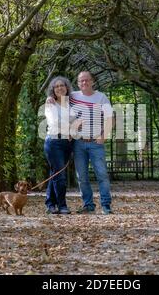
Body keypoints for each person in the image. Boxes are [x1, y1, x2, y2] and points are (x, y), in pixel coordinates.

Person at [48, 71, 114, 215]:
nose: (84, 83)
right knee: (82, 177)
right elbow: (58, 97)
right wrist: (49, 99)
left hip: (96, 143)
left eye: (87, 80)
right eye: (81, 81)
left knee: (102, 174)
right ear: (77, 83)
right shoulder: (72, 97)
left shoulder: (101, 97)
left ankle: (106, 205)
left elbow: (110, 118)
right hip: (78, 143)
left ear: (92, 81)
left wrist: (103, 136)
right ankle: (88, 205)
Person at [44, 76, 76, 214]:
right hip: (54, 142)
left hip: (67, 144)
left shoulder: (70, 104)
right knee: (60, 175)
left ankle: (50, 204)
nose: (59, 88)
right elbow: (54, 122)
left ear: (67, 88)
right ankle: (62, 205)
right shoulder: (50, 103)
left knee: (55, 173)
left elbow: (76, 122)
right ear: (53, 90)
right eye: (56, 86)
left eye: (62, 85)